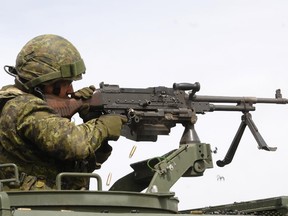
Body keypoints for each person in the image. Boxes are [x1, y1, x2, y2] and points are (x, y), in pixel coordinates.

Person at [0, 34, 127, 191]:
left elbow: (77, 165)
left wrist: (91, 120)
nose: (71, 90)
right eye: (65, 83)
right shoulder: (24, 107)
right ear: (42, 83)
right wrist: (103, 126)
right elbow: (75, 145)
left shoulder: (16, 104)